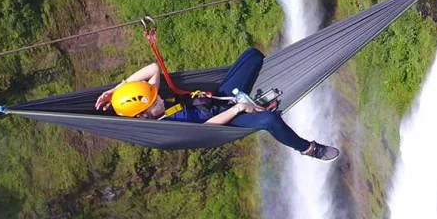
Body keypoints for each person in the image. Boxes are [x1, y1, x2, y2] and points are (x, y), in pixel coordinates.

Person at [95, 47, 340, 161]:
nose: (159, 96)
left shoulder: (151, 102)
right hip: (228, 120)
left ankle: (257, 97)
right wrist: (238, 108)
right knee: (269, 120)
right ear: (142, 116)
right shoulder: (167, 126)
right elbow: (208, 127)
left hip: (221, 95)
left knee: (253, 56)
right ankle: (309, 149)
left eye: (155, 94)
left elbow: (153, 68)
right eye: (153, 100)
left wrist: (118, 88)